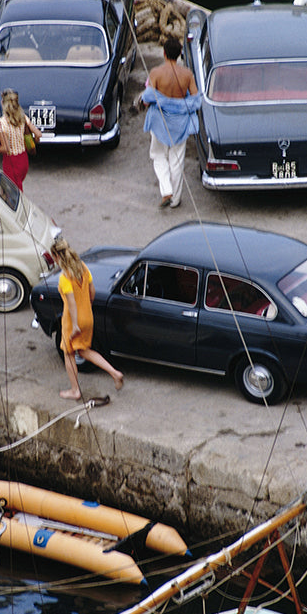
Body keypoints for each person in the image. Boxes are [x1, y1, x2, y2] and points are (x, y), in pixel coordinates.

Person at [50, 236, 124, 400]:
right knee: (84, 351)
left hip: (72, 321)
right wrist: (86, 308)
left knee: (68, 354)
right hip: (87, 317)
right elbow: (92, 292)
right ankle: (114, 373)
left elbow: (71, 302)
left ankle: (75, 390)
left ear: (56, 257)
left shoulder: (64, 277)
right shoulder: (82, 268)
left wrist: (75, 325)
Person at [139, 37, 201, 208]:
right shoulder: (187, 74)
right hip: (180, 122)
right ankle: (175, 200)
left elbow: (147, 99)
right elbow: (196, 101)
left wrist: (161, 100)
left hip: (160, 121)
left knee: (158, 155)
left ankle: (166, 190)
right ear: (179, 55)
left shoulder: (156, 73)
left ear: (164, 54)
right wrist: (179, 103)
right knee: (177, 160)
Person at [0, 89, 42, 191]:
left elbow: (5, 148)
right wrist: (32, 141)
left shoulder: (1, 123)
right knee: (16, 186)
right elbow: (38, 134)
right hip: (23, 160)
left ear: (3, 104)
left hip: (11, 162)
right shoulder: (23, 117)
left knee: (14, 192)